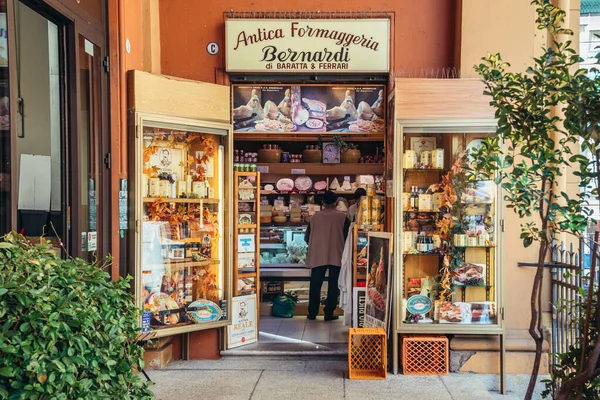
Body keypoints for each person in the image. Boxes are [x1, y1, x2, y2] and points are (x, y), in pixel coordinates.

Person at [304, 191, 350, 321]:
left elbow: (307, 237)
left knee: (315, 284)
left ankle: (312, 313)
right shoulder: (342, 217)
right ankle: (329, 313)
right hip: (337, 254)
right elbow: (348, 237)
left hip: (318, 255)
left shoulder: (314, 217)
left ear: (323, 203)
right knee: (334, 285)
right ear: (336, 203)